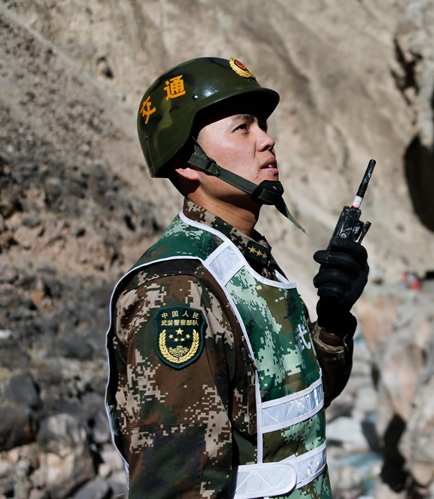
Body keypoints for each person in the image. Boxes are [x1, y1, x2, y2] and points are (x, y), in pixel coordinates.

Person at [105, 57, 368, 498]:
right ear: (188, 162)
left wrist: (333, 322)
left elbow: (295, 412)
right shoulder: (178, 290)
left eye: (261, 125)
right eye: (242, 128)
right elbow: (177, 485)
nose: (267, 139)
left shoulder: (246, 259)